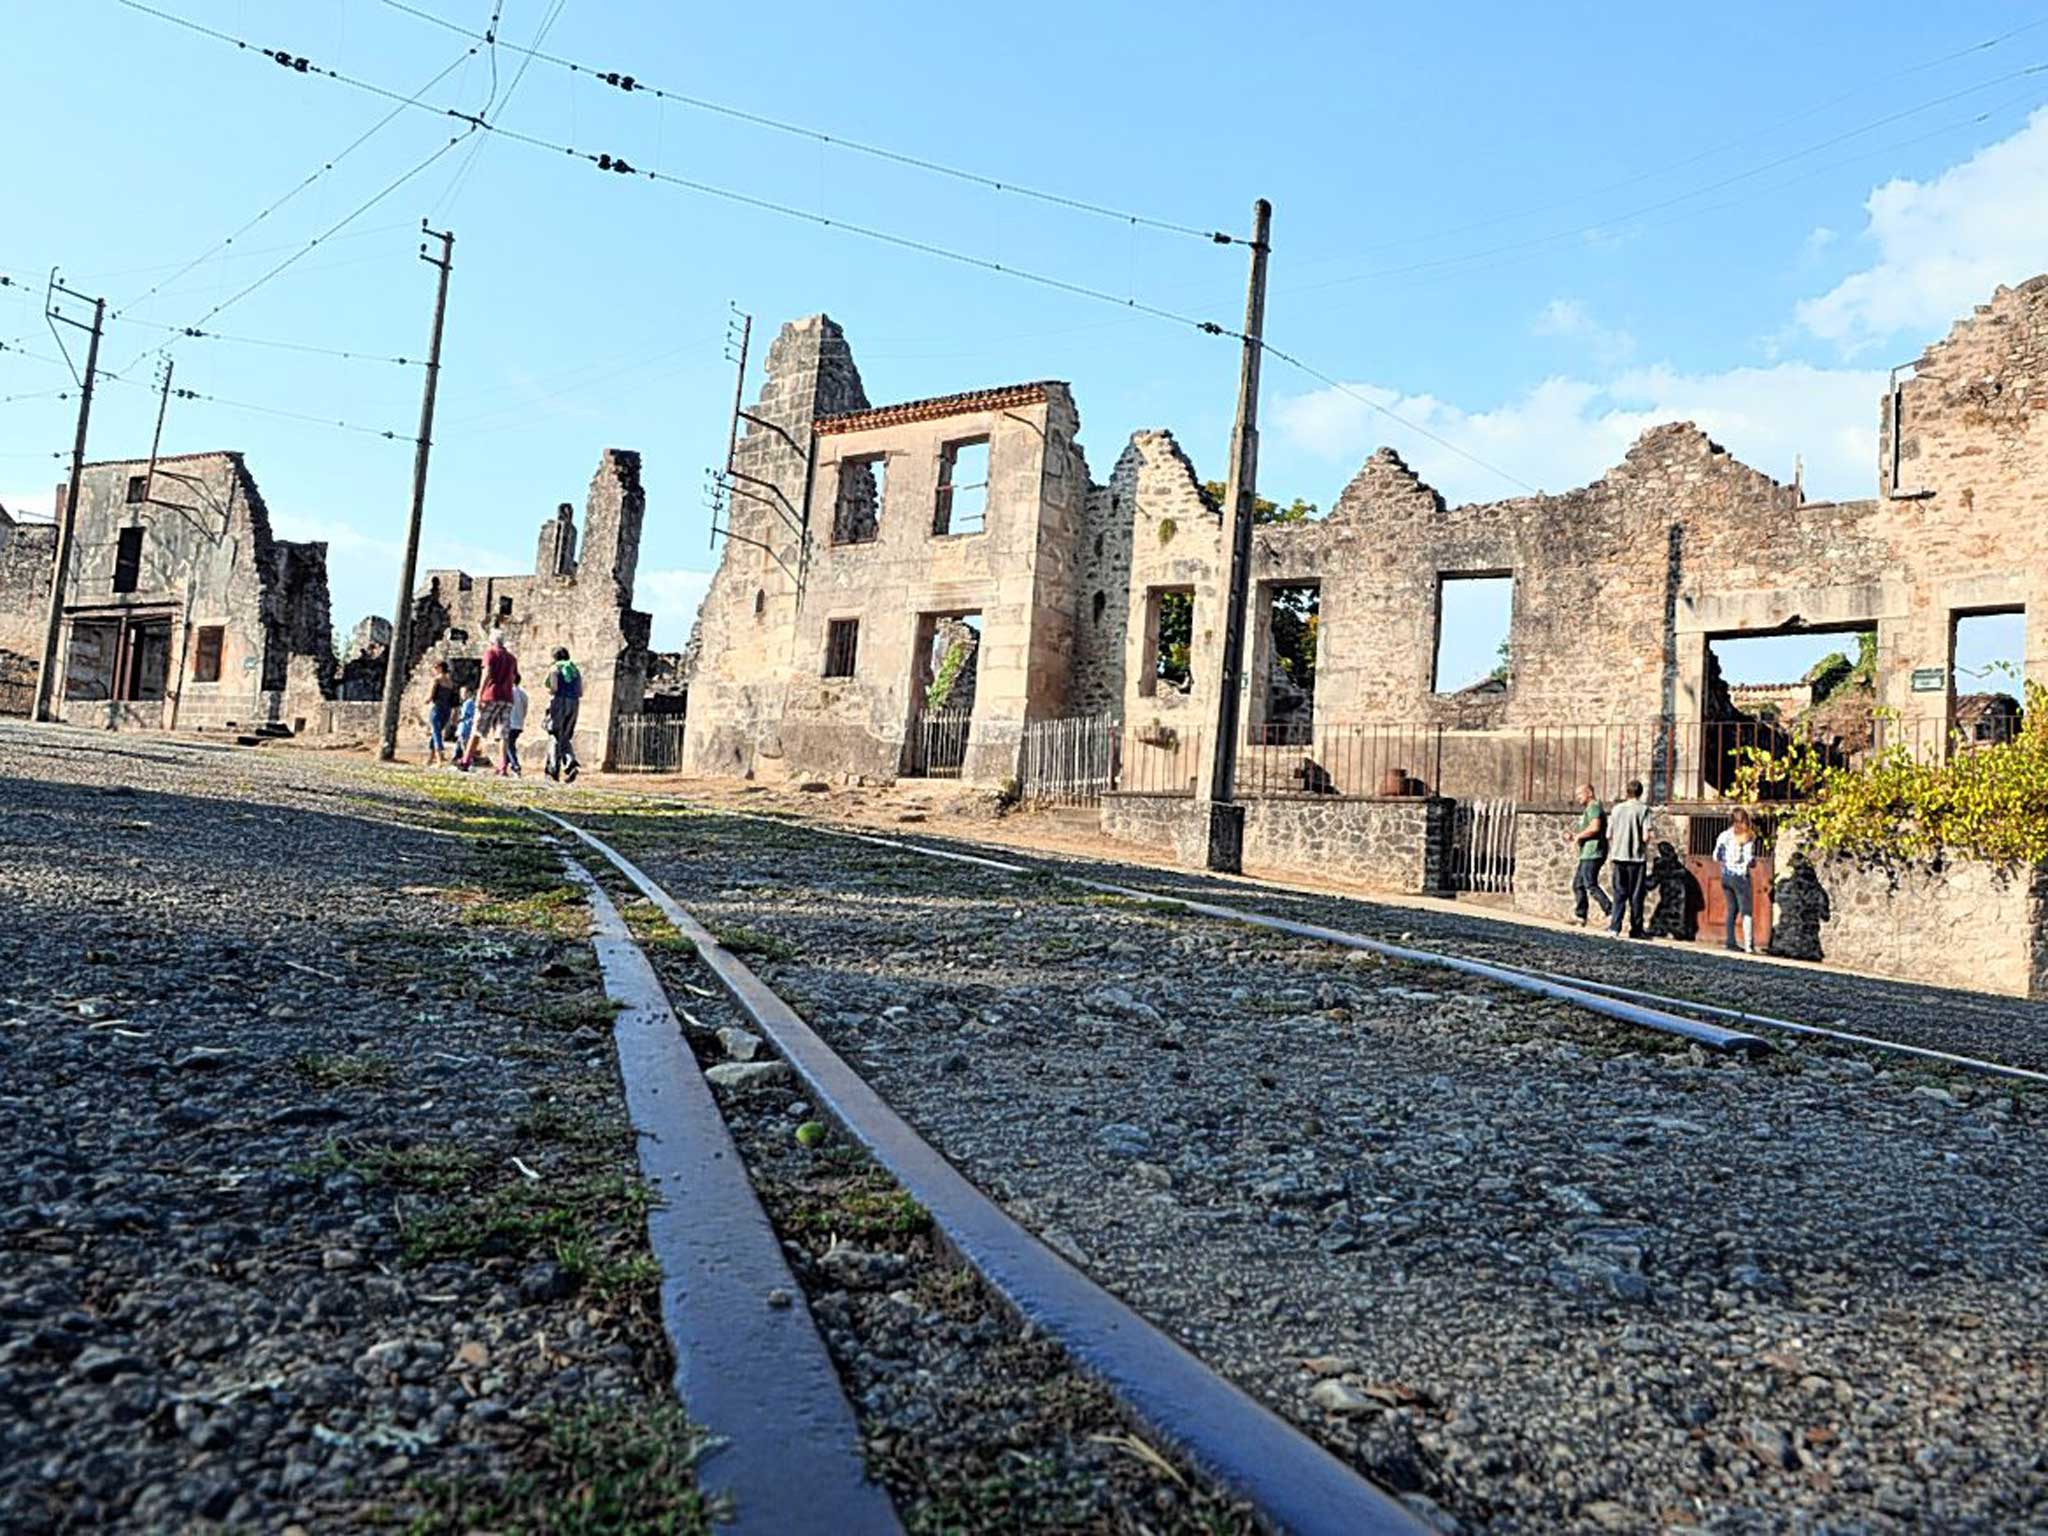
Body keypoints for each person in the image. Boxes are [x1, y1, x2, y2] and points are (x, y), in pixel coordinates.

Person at [460, 630, 519, 772]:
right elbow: (514, 676)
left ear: (492, 641)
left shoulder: (490, 653)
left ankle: (465, 760)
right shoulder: (512, 658)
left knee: (478, 728)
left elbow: (486, 674)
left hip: (491, 695)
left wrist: (480, 693)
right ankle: (503, 765)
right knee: (503, 732)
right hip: (507, 697)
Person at [1606, 779, 1651, 939]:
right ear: (1640, 792)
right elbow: (1646, 837)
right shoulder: (1644, 809)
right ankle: (1636, 929)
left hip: (1618, 856)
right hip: (1636, 858)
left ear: (1627, 792)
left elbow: (1608, 834)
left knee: (1619, 894)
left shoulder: (1616, 809)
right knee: (1636, 896)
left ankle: (1614, 927)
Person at [1714, 809, 1760, 952]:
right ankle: (1748, 945)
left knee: (1731, 910)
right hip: (1740, 876)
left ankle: (1730, 941)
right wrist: (1752, 863)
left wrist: (1726, 862)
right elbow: (1749, 858)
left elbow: (1716, 856)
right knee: (1746, 911)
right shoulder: (1746, 836)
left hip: (1726, 876)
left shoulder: (1724, 835)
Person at [1568, 782, 1612, 927]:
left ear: (1590, 793)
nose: (1578, 798)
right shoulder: (1589, 809)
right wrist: (1575, 836)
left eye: (1580, 794)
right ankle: (1581, 916)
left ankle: (1611, 912)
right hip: (1587, 853)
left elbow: (1595, 827)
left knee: (1590, 884)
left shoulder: (1593, 807)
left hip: (1593, 852)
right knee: (1578, 884)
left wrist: (1579, 836)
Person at [543, 645, 583, 783]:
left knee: (554, 734)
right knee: (565, 736)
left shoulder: (555, 668)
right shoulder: (575, 670)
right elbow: (580, 691)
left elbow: (553, 688)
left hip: (559, 702)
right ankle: (570, 764)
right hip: (574, 703)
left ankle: (553, 769)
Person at [424, 661, 459, 766]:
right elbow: (455, 701)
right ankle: (430, 758)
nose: (433, 669)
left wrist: (425, 701)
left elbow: (430, 697)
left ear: (439, 668)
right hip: (447, 710)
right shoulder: (451, 683)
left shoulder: (436, 680)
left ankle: (439, 758)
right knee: (436, 732)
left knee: (436, 732)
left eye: (435, 667)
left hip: (437, 709)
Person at [503, 682, 530, 778]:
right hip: (518, 724)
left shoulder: (508, 691)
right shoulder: (523, 693)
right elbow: (525, 709)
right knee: (509, 745)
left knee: (508, 745)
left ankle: (515, 766)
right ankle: (503, 767)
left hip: (510, 722)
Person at [454, 685, 478, 765]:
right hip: (465, 725)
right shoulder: (469, 702)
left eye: (463, 693)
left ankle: (468, 759)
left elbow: (464, 715)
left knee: (464, 743)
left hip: (465, 726)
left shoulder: (468, 703)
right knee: (460, 742)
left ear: (468, 693)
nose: (462, 695)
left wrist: (457, 720)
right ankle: (457, 757)